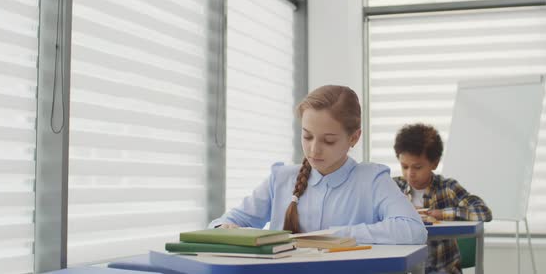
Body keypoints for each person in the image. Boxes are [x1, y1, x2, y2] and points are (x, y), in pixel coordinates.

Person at [209, 85, 427, 245]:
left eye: (328, 140)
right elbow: (225, 222)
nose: (314, 150)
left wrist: (335, 235)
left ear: (354, 138)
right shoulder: (281, 178)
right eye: (307, 136)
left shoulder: (372, 180)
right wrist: (225, 229)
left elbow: (413, 229)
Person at [393, 123, 493, 273]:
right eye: (405, 167)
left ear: (435, 163)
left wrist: (442, 214)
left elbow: (484, 212)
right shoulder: (394, 188)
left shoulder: (448, 188)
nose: (410, 174)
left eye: (417, 167)